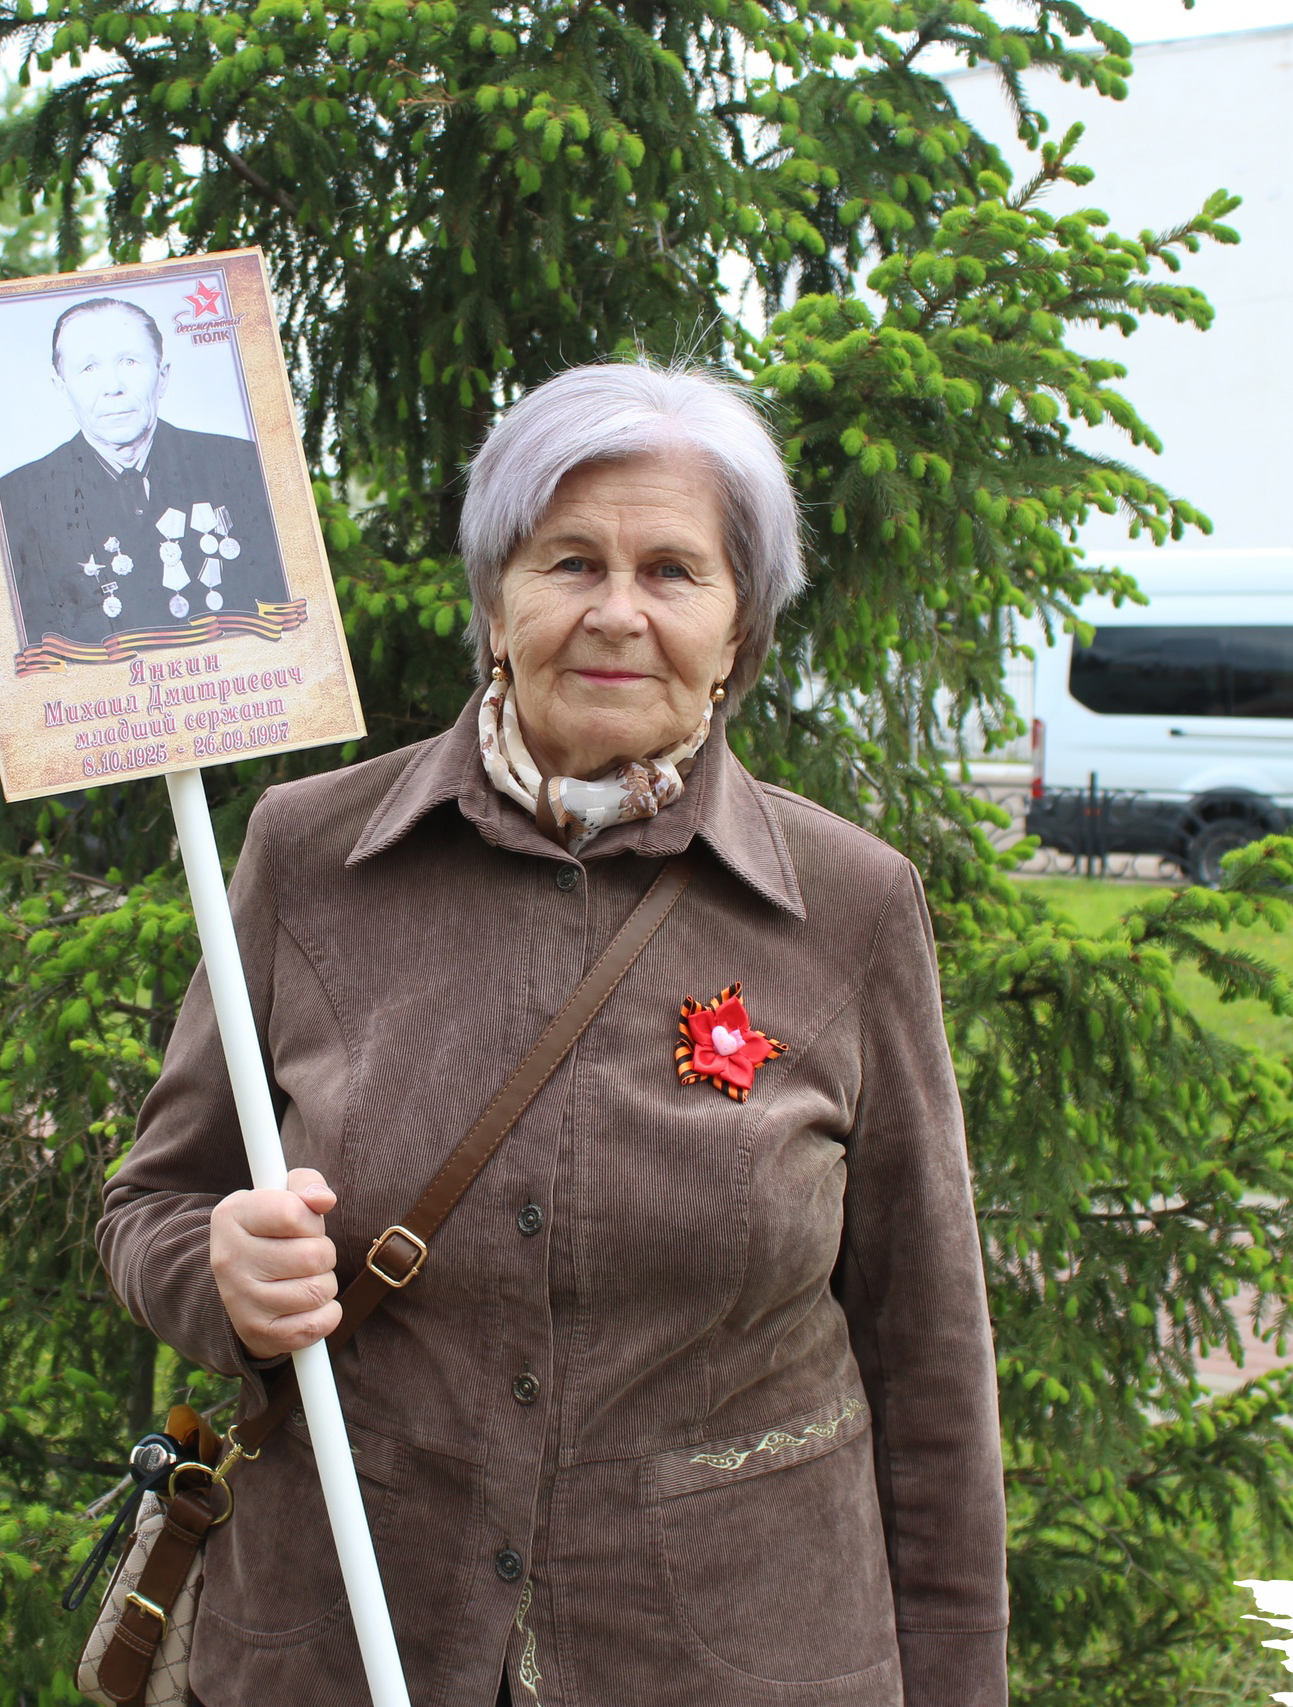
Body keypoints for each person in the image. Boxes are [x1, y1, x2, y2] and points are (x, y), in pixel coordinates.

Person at [98, 361, 1008, 1705]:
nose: (617, 611)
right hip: (350, 1639)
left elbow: (928, 1354)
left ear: (740, 624)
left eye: (673, 571)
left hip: (735, 1659)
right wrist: (218, 1270)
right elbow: (154, 1201)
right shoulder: (314, 851)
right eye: (570, 559)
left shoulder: (851, 904)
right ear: (496, 600)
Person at [0, 296, 289, 649]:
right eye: (89, 368)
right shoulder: (15, 500)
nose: (113, 386)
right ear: (62, 389)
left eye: (130, 361)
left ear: (162, 377)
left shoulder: (244, 466)